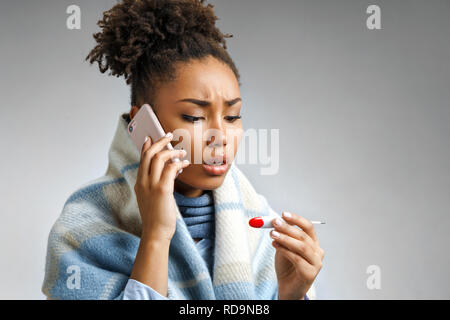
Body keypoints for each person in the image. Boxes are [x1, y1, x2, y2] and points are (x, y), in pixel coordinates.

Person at [42, 0, 324, 300]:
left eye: (232, 117)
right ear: (143, 121)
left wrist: (291, 295)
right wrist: (156, 235)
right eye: (194, 117)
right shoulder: (82, 227)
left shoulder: (261, 229)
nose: (219, 137)